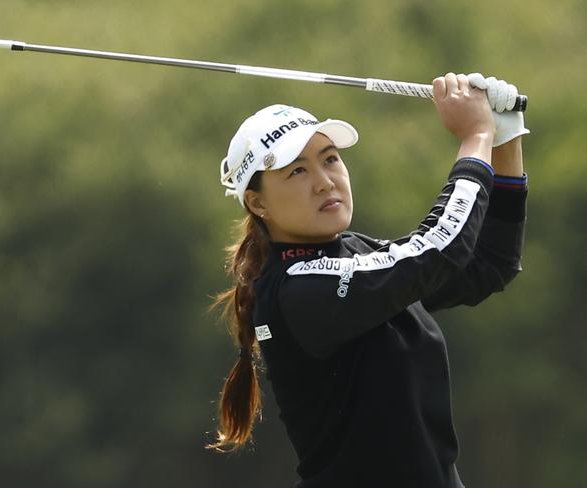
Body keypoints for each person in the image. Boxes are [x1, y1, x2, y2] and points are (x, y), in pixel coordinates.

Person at [207, 72, 529, 487]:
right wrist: (476, 137)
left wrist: (505, 139)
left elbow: (488, 263)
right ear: (257, 202)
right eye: (296, 172)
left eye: (329, 158)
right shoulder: (299, 289)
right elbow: (437, 248)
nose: (324, 181)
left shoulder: (355, 254)